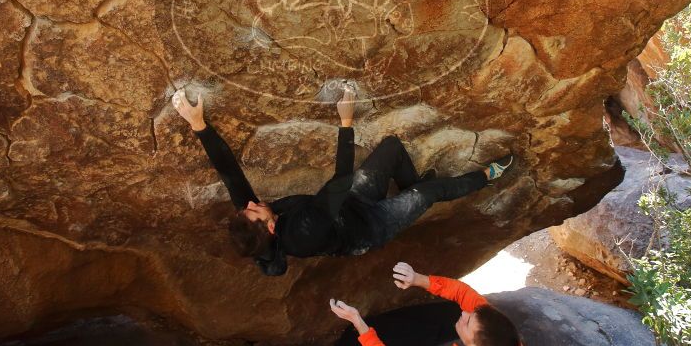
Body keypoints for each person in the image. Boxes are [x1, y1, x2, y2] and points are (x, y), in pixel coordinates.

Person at [172, 87, 514, 276]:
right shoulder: (304, 232)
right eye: (254, 211)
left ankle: (410, 184)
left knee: (392, 149)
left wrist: (198, 125)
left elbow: (230, 175)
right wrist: (346, 122)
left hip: (350, 205)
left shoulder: (255, 222)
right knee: (427, 193)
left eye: (246, 209)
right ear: (272, 228)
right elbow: (340, 180)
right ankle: (486, 176)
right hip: (370, 228)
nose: (251, 203)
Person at [329, 262, 523, 346]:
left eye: (467, 322)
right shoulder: (504, 340)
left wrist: (358, 322)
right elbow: (462, 292)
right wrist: (418, 279)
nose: (464, 313)